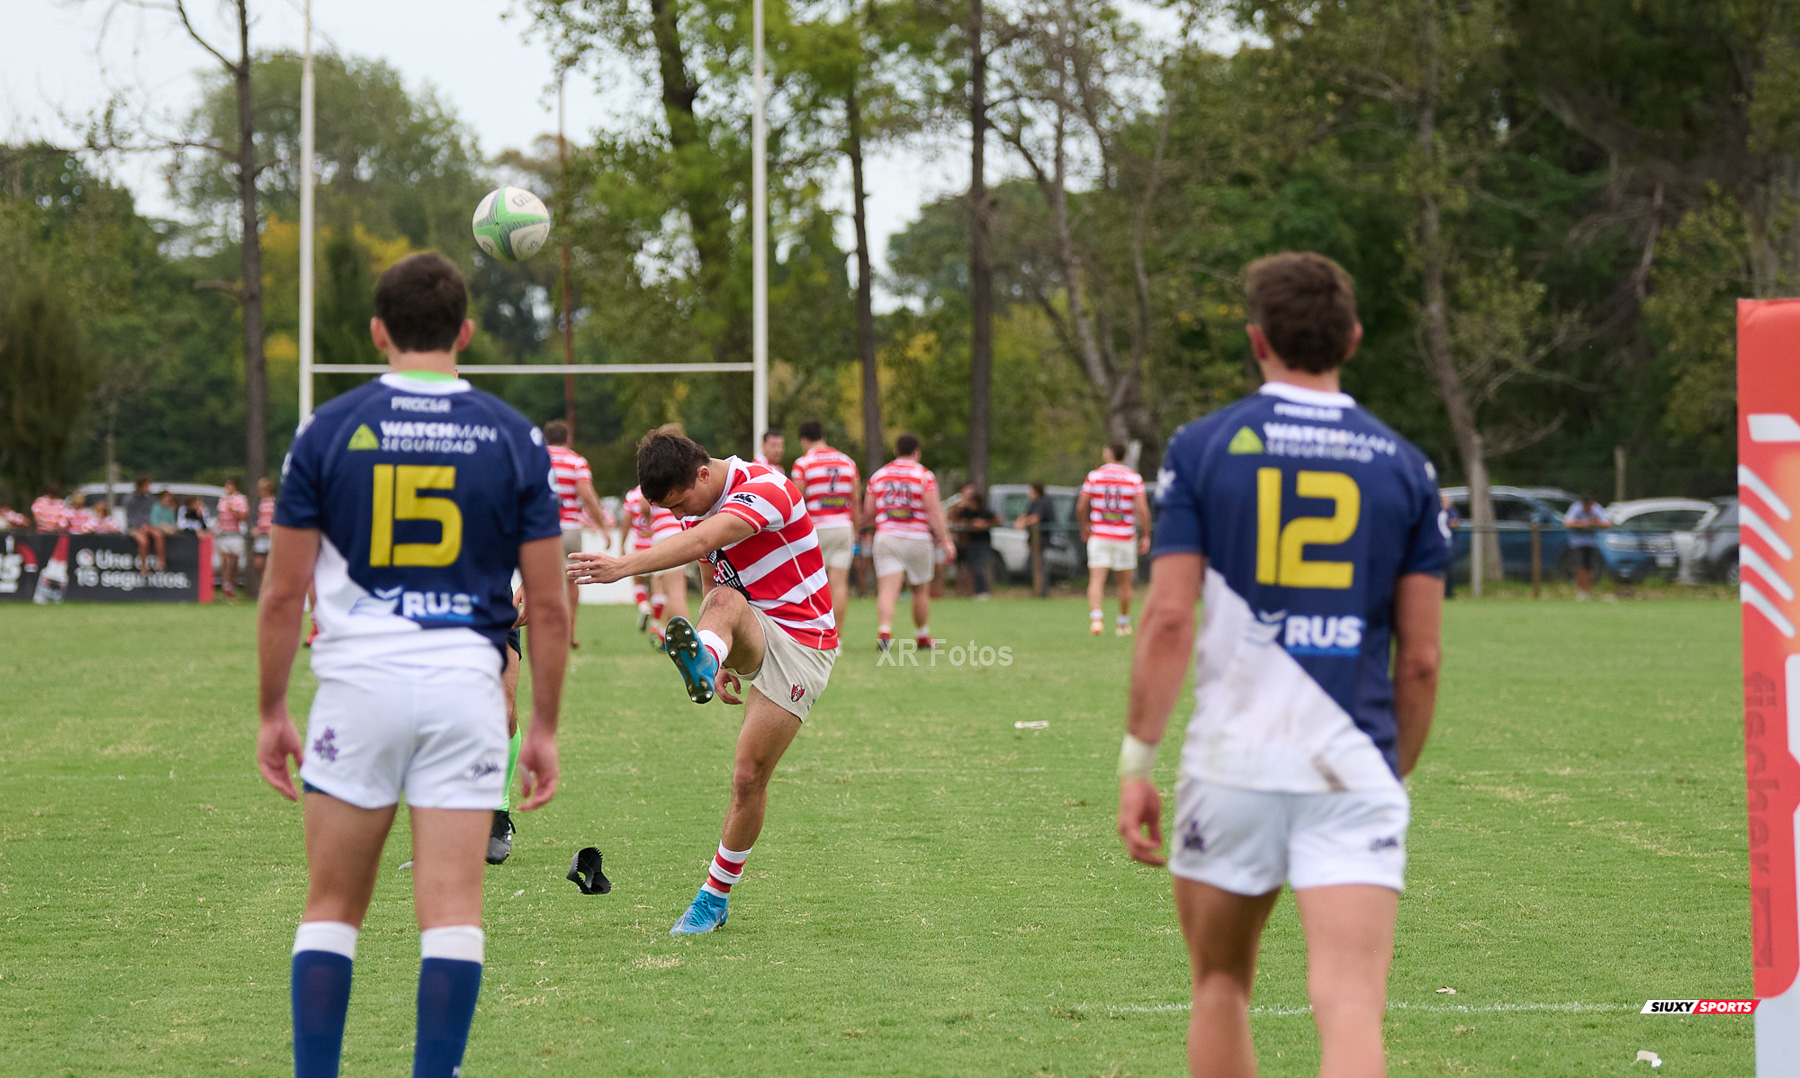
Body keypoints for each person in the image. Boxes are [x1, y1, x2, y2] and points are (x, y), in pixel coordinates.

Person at [1116, 252, 1447, 1078]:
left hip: (1234, 767)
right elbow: (1424, 662)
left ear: (1256, 339)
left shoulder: (1201, 448)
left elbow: (1165, 620)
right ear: (1355, 338)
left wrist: (1136, 761)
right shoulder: (1407, 466)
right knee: (1349, 1003)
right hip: (1354, 766)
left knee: (1221, 986)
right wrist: (1386, 771)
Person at [255, 251, 569, 1078]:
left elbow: (283, 596)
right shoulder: (513, 435)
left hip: (357, 693)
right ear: (465, 332)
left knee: (331, 910)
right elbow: (549, 602)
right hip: (465, 692)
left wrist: (270, 711)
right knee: (454, 914)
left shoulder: (325, 430)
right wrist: (541, 724)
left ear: (377, 332)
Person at [568, 430, 839, 935]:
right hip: (752, 624)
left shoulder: (765, 486)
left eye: (679, 504)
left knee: (748, 777)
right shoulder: (694, 503)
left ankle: (714, 897)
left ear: (703, 474)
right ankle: (704, 660)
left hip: (804, 642)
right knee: (721, 604)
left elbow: (704, 540)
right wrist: (718, 656)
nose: (678, 515)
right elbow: (713, 576)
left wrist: (623, 566)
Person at [863, 434, 956, 652]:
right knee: (920, 589)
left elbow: (869, 511)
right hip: (917, 538)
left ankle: (884, 631)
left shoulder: (879, 476)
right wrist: (946, 540)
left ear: (895, 451)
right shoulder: (924, 475)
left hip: (887, 536)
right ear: (917, 453)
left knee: (887, 588)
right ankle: (922, 635)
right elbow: (934, 510)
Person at [542, 418, 611, 649]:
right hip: (570, 528)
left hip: (542, 527)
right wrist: (602, 526)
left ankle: (545, 631)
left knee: (543, 581)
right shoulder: (576, 462)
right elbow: (587, 496)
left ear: (545, 438)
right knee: (572, 581)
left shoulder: (535, 457)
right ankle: (568, 631)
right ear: (568, 439)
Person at [789, 419, 860, 623]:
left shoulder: (803, 464)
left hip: (815, 528)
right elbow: (855, 499)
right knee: (839, 584)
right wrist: (856, 527)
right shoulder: (847, 462)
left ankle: (813, 632)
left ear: (804, 440)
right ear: (823, 436)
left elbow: (797, 500)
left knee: (808, 584)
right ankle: (837, 640)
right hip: (842, 525)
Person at [1078, 445, 1151, 636]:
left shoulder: (1094, 476)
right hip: (1125, 536)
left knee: (1096, 580)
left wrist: (1083, 525)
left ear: (1109, 453)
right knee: (1125, 584)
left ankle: (1096, 618)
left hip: (1100, 535)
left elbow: (1081, 505)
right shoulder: (1133, 478)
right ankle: (1123, 624)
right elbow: (1142, 509)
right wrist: (1146, 534)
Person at [948, 486, 997, 599]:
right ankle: (971, 591)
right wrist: (969, 523)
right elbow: (954, 519)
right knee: (970, 568)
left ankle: (983, 591)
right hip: (969, 543)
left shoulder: (984, 511)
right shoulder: (965, 511)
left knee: (980, 567)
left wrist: (984, 523)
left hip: (983, 543)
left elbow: (997, 520)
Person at [1564, 493, 1610, 600]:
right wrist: (1583, 523)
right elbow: (1567, 523)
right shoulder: (1576, 508)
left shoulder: (1596, 508)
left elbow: (1607, 523)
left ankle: (1586, 592)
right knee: (1579, 567)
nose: (1588, 508)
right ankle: (1580, 591)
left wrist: (1596, 523)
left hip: (1591, 543)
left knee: (1589, 567)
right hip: (1577, 543)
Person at [216, 478, 250, 599]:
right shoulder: (222, 499)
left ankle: (233, 585)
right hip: (224, 533)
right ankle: (226, 587)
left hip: (235, 534)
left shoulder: (240, 499)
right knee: (224, 561)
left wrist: (233, 509)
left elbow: (243, 516)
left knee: (234, 562)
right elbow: (220, 516)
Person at [124, 477, 160, 571]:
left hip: (146, 525)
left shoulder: (149, 499)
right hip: (134, 527)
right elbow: (130, 516)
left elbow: (149, 514)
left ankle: (160, 561)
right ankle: (143, 566)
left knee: (158, 535)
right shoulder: (130, 499)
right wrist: (140, 526)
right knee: (143, 542)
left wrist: (147, 524)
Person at [252, 477, 278, 584]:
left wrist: (274, 529)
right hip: (260, 536)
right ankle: (263, 584)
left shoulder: (276, 503)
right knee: (258, 563)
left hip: (271, 536)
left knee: (271, 562)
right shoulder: (259, 503)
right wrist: (254, 528)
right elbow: (254, 518)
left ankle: (271, 584)